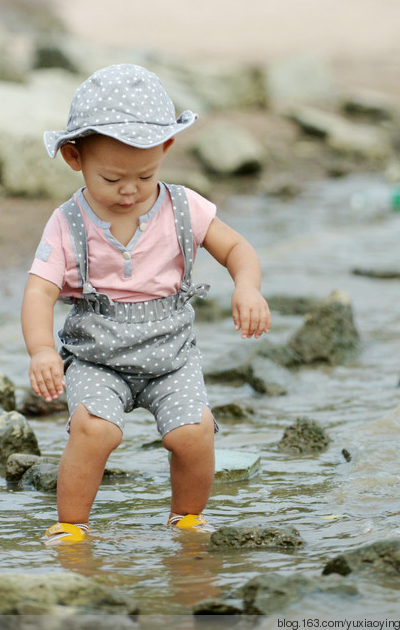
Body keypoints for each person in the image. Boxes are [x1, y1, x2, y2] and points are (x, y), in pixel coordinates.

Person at [21, 64, 271, 544]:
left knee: (193, 433)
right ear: (74, 157)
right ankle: (71, 526)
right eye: (112, 178)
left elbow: (238, 249)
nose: (130, 190)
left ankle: (188, 519)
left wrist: (247, 287)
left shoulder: (183, 207)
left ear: (166, 150)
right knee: (95, 432)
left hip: (170, 359)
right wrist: (41, 350)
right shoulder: (68, 222)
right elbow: (40, 290)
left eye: (145, 174)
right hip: (98, 359)